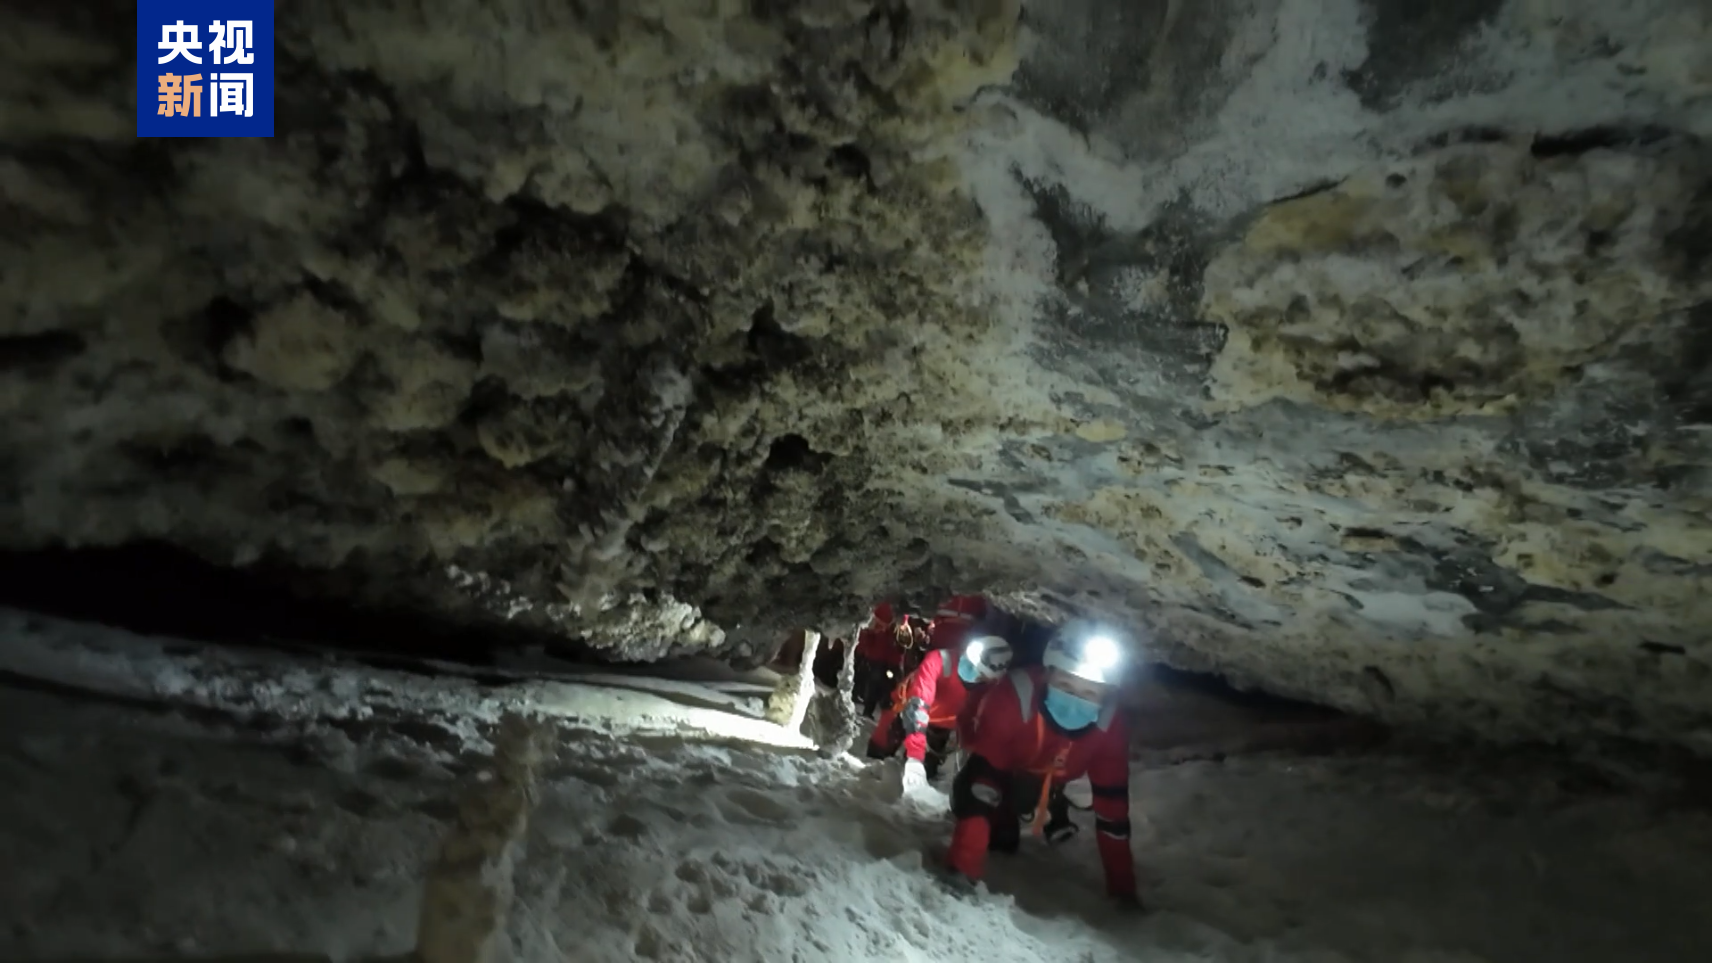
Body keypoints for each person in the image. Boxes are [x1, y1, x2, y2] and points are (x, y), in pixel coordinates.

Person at [943, 623, 1140, 905]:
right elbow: (984, 781)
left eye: (1089, 693)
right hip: (1006, 768)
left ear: (1106, 695)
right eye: (1066, 685)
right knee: (981, 809)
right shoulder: (1014, 697)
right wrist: (962, 869)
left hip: (1049, 779)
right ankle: (1000, 814)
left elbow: (1113, 811)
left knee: (1012, 828)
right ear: (1047, 676)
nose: (1074, 700)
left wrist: (1123, 891)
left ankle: (1047, 810)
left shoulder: (1110, 726)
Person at [866, 635, 1015, 787]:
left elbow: (976, 721)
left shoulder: (989, 691)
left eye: (976, 670)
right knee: (879, 752)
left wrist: (968, 741)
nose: (968, 667)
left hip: (941, 726)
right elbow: (918, 706)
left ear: (988, 679)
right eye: (968, 660)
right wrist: (915, 756)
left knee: (924, 774)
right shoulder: (939, 660)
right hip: (905, 707)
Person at [853, 603, 907, 717]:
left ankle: (882, 713)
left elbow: (904, 642)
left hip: (889, 658)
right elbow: (871, 629)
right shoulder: (884, 609)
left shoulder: (901, 618)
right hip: (879, 656)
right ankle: (870, 710)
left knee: (887, 686)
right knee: (875, 683)